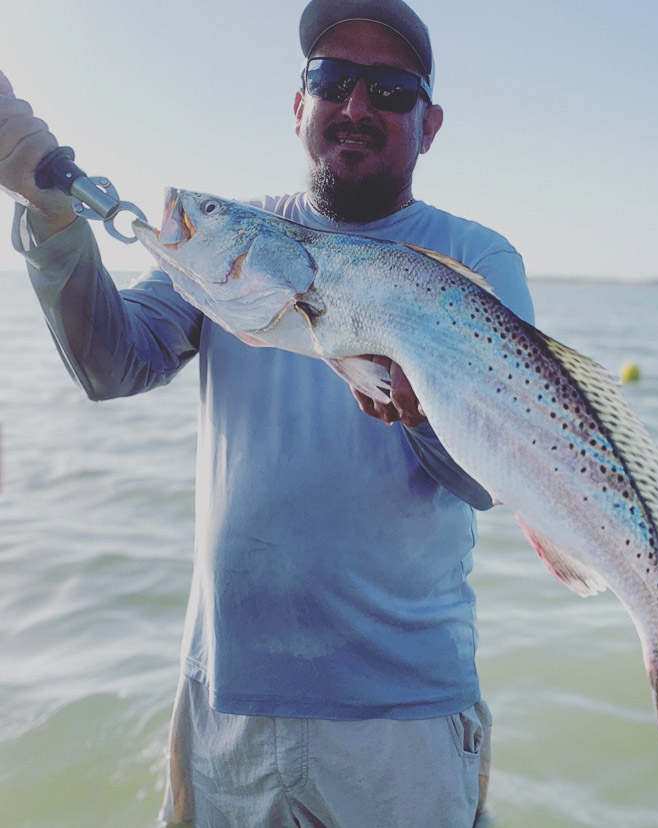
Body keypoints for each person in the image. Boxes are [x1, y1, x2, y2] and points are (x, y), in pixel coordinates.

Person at [0, 1, 534, 825]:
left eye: (389, 92)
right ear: (299, 106)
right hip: (226, 703)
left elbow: (496, 478)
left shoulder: (475, 259)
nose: (355, 106)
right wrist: (52, 215)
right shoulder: (231, 245)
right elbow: (111, 364)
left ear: (428, 125)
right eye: (332, 81)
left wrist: (424, 416)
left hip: (404, 722)